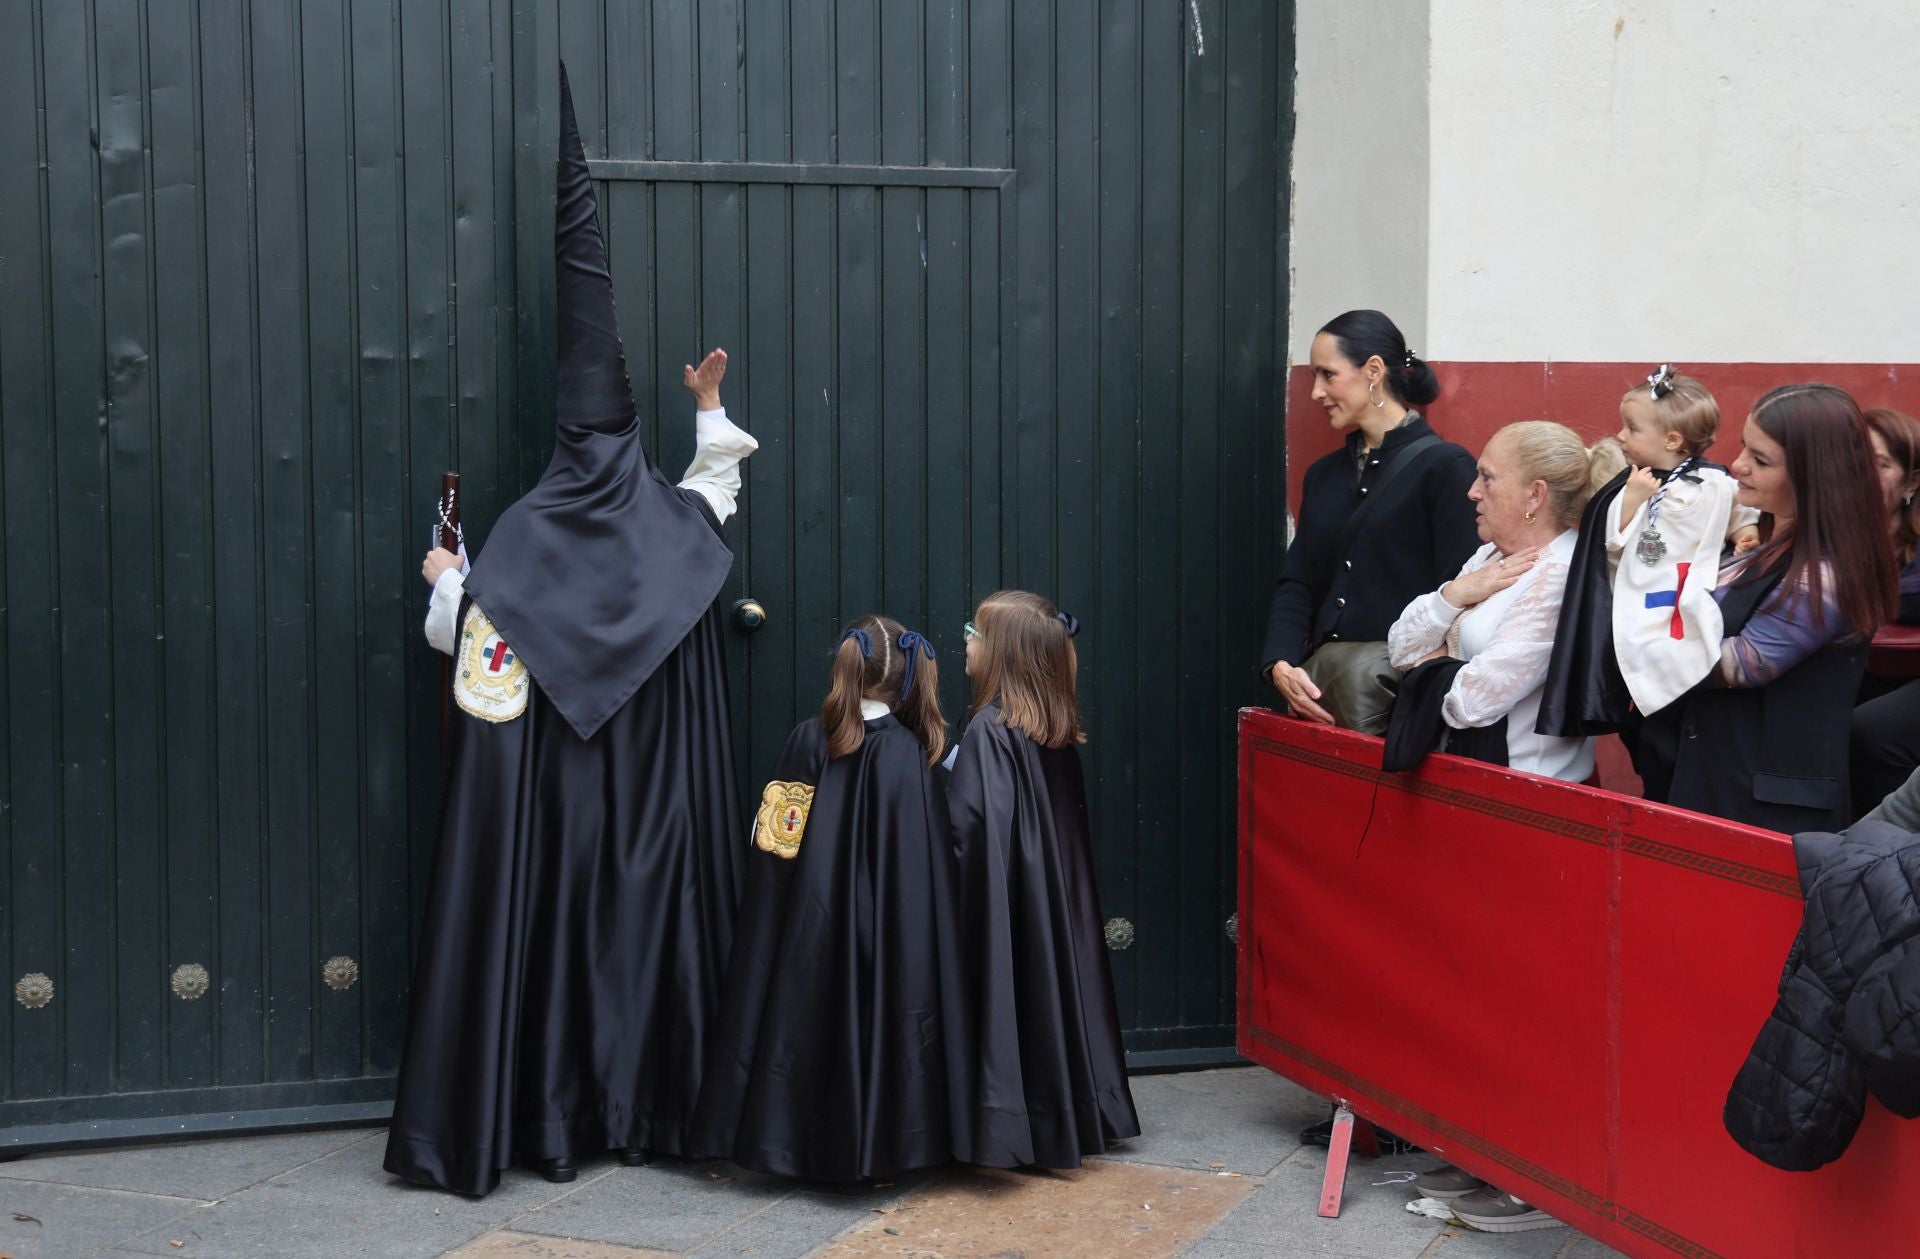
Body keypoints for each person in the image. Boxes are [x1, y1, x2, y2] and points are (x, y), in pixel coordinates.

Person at [384, 65, 757, 1196]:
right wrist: (708, 411)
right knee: (643, 940)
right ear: (629, 437)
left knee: (549, 945)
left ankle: (543, 1118)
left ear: (561, 439)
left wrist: (448, 579)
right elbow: (715, 497)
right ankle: (650, 1109)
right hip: (654, 816)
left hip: (551, 815)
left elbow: (473, 644)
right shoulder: (668, 524)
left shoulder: (521, 538)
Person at [690, 617, 971, 1182]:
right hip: (885, 939)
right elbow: (922, 871)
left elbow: (774, 846)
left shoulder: (806, 739)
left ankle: (784, 1140)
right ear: (908, 676)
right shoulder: (909, 753)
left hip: (805, 931)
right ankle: (878, 1145)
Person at [1636, 383, 1895, 833]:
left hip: (1762, 811)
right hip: (1714, 778)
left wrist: (1634, 638)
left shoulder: (1825, 575)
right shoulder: (1764, 540)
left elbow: (1739, 665)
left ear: (1814, 475)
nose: (1738, 465)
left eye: (1761, 460)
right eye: (1743, 448)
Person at [949, 591, 1140, 1168]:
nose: (965, 641)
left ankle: (1017, 1120)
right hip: (1050, 904)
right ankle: (1076, 1107)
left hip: (1011, 905)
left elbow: (969, 832)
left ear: (1001, 653)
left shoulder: (989, 729)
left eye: (974, 632)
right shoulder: (1050, 728)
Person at [1262, 310, 1480, 733]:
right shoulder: (1323, 474)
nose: (1316, 392)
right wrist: (1280, 663)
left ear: (1374, 371)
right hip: (1322, 698)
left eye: (1328, 374)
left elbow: (1463, 593)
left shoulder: (1445, 467)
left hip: (1404, 708)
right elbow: (1298, 581)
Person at [1537, 368, 1758, 738]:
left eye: (1632, 428)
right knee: (1637, 651)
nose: (1620, 436)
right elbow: (1609, 540)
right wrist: (1632, 500)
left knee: (1684, 648)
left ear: (1672, 440)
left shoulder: (1715, 482)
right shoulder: (1633, 483)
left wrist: (1745, 531)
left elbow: (1740, 508)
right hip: (1637, 592)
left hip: (1690, 589)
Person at [1384, 421, 1607, 782]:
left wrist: (1426, 665)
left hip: (1525, 792)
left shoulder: (1560, 574)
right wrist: (1453, 595)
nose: (1472, 492)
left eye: (1487, 478)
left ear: (1535, 495)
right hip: (1464, 772)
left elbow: (1472, 703)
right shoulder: (1491, 555)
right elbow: (1400, 647)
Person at [1845, 407, 1920, 814]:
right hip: (1854, 676)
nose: (1862, 473)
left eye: (1880, 464)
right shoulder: (1832, 535)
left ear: (1912, 482)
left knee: (1871, 728)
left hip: (1898, 682)